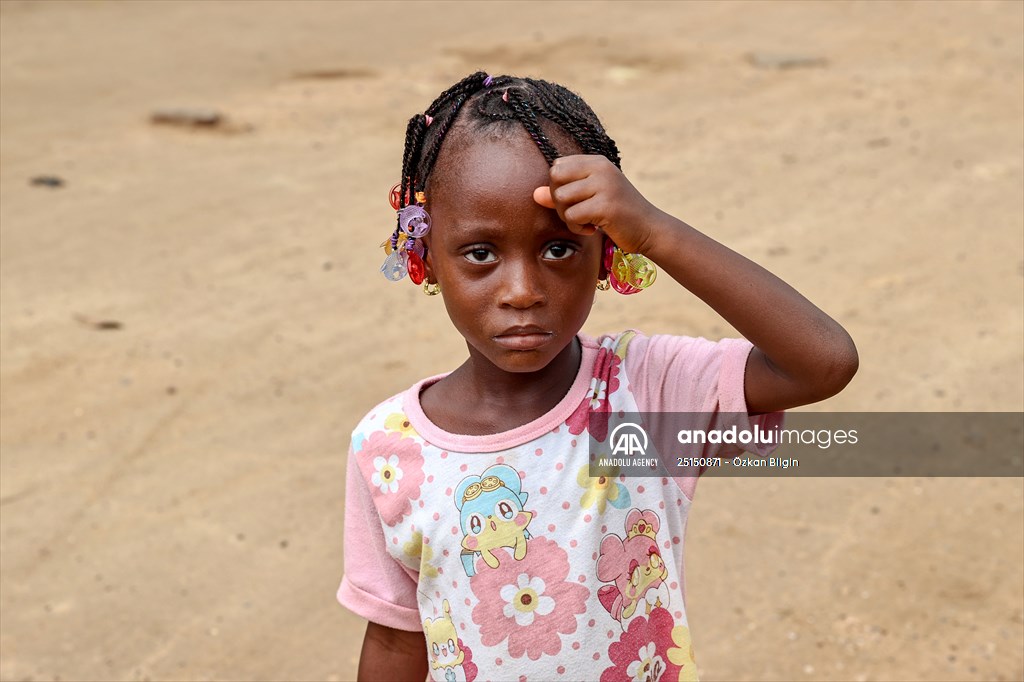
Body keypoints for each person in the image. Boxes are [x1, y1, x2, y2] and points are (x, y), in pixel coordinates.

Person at [337, 72, 858, 681]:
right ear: (425, 256)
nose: (523, 291)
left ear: (607, 251)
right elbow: (399, 642)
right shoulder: (388, 447)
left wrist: (655, 229)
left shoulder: (641, 392)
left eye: (559, 248)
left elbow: (823, 361)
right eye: (480, 253)